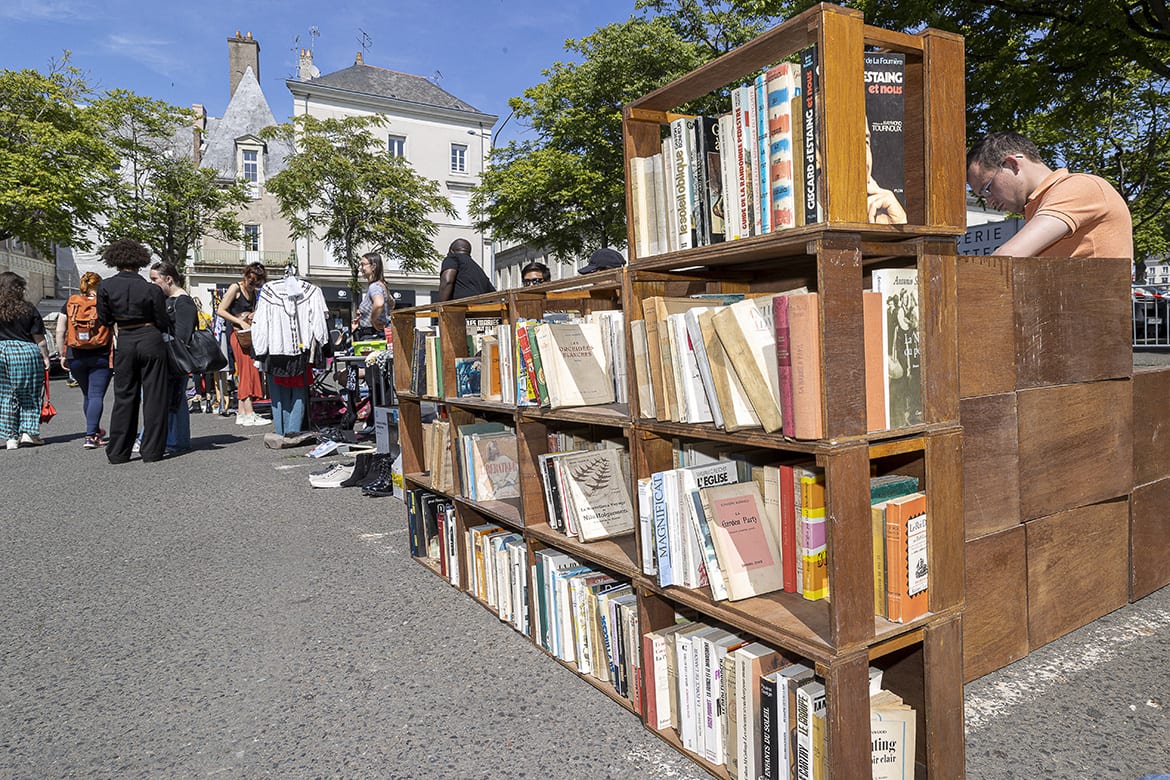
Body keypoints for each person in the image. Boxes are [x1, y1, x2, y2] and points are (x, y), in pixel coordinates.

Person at [966, 131, 1133, 259]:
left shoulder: (1077, 187)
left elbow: (1006, 257)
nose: (989, 202)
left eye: (987, 188)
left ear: (1012, 164)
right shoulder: (1038, 207)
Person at [95, 239, 171, 464]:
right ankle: (152, 451)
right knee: (155, 397)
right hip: (150, 338)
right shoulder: (151, 289)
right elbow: (162, 321)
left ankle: (118, 451)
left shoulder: (106, 286)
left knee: (124, 396)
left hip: (125, 340)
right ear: (140, 261)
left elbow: (104, 319)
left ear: (115, 260)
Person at [54, 271, 111, 449]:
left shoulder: (71, 302)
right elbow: (114, 328)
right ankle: (91, 435)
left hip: (75, 353)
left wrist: (62, 354)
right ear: (99, 285)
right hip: (100, 353)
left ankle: (93, 430)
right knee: (96, 395)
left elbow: (60, 330)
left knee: (87, 394)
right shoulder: (103, 304)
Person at [0, 271, 51, 450]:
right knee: (29, 392)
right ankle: (29, 433)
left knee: (5, 395)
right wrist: (46, 357)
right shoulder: (28, 309)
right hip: (25, 351)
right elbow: (39, 338)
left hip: (0, 351)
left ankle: (10, 437)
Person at [150, 262, 197, 455]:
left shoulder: (183, 301)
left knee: (175, 399)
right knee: (173, 399)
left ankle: (177, 441)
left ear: (168, 279)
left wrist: (174, 358)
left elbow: (183, 336)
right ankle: (175, 440)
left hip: (176, 358)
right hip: (171, 357)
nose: (152, 283)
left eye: (155, 279)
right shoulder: (169, 299)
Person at [216, 262, 269, 426]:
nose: (253, 285)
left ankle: (242, 412)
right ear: (246, 276)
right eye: (252, 282)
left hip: (245, 334)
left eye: (257, 283)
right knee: (246, 371)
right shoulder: (235, 288)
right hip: (238, 335)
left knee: (249, 371)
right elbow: (221, 310)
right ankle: (248, 411)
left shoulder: (252, 292)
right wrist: (239, 321)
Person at [352, 252, 392, 339]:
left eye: (363, 264)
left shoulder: (374, 287)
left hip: (372, 336)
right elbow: (392, 303)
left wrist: (373, 320)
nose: (361, 268)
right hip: (379, 335)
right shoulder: (382, 286)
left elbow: (379, 303)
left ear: (373, 266)